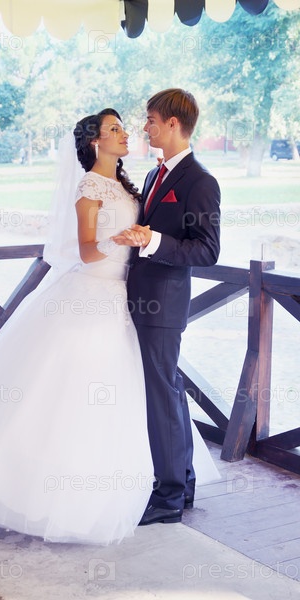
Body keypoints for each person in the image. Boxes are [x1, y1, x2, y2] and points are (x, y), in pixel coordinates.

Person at [0, 109, 155, 546]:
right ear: (95, 142)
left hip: (117, 297)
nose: (125, 134)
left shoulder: (126, 185)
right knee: (65, 390)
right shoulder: (88, 187)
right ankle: (33, 490)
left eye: (123, 127)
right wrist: (120, 239)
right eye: (115, 129)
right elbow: (86, 251)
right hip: (88, 292)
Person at [114, 89, 221, 526]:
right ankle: (184, 484)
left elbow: (207, 250)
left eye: (151, 120)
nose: (145, 127)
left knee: (162, 397)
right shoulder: (155, 175)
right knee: (170, 393)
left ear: (173, 123)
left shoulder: (200, 181)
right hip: (141, 298)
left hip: (163, 304)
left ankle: (168, 497)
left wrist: (153, 240)